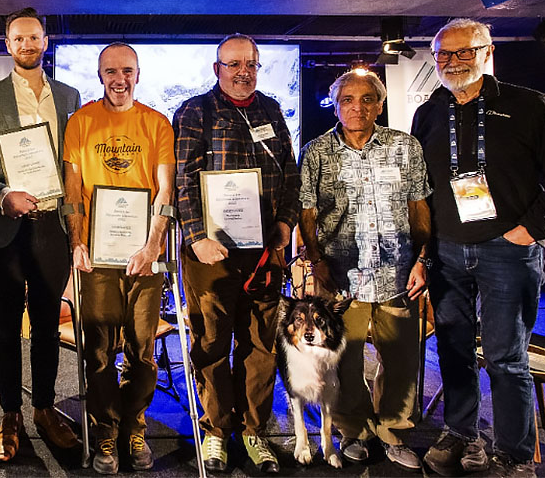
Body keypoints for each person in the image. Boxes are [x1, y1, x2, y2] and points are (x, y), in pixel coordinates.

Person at [412, 19, 545, 478]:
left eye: (463, 52)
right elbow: (424, 190)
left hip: (507, 250)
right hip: (448, 251)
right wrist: (426, 251)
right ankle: (462, 434)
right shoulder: (429, 112)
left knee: (507, 355)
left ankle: (512, 454)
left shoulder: (531, 106)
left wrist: (530, 230)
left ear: (488, 53)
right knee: (451, 348)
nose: (452, 63)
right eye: (443, 55)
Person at [172, 33, 299, 474]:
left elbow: (291, 172)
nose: (243, 71)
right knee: (211, 343)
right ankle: (214, 431)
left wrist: (285, 222)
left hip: (265, 252)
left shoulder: (271, 109)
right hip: (211, 254)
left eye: (251, 63)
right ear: (217, 69)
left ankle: (253, 431)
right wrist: (195, 236)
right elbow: (183, 178)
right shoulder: (194, 111)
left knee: (261, 344)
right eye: (234, 64)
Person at [299, 69, 432, 471]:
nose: (358, 107)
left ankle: (394, 432)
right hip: (340, 278)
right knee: (344, 360)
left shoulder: (405, 147)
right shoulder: (317, 151)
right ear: (336, 106)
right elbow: (308, 212)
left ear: (380, 103)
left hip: (398, 273)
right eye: (348, 100)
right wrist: (317, 261)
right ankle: (353, 431)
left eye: (367, 99)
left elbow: (420, 208)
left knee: (402, 359)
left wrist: (423, 259)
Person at [0, 8, 82, 461]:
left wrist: (77, 228)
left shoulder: (70, 97)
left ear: (45, 41)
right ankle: (9, 413)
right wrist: (2, 194)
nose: (27, 45)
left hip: (52, 227)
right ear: (7, 44)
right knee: (6, 329)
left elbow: (75, 171)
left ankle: (44, 409)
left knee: (49, 326)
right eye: (18, 39)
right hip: (6, 229)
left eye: (34, 38)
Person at [63, 42, 175, 475]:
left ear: (138, 74)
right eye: (111, 71)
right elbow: (73, 191)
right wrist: (76, 240)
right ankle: (105, 432)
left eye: (126, 70)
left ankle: (135, 425)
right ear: (100, 74)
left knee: (141, 351)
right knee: (100, 351)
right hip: (96, 257)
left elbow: (165, 192)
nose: (119, 79)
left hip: (145, 258)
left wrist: (152, 247)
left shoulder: (156, 124)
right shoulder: (81, 121)